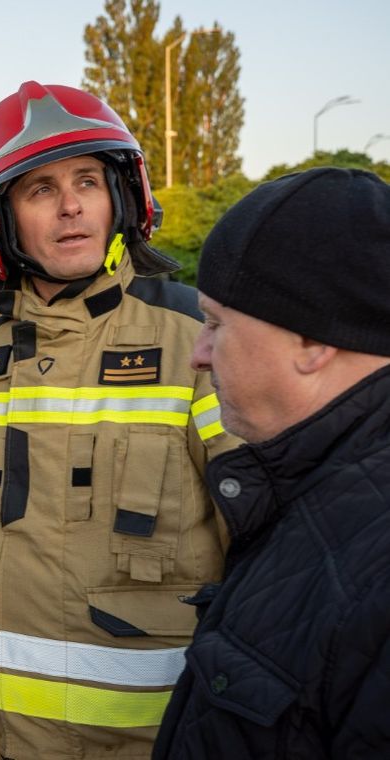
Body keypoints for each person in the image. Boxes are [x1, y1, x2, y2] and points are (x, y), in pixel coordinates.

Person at [0, 81, 241, 760]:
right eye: (38, 190)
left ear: (121, 195)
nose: (70, 205)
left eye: (88, 179)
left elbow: (271, 546)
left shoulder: (194, 343)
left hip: (157, 739)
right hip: (1, 737)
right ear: (1, 222)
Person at [151, 168, 390, 758]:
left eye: (215, 323)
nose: (198, 355)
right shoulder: (309, 488)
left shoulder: (372, 568)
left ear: (313, 340)